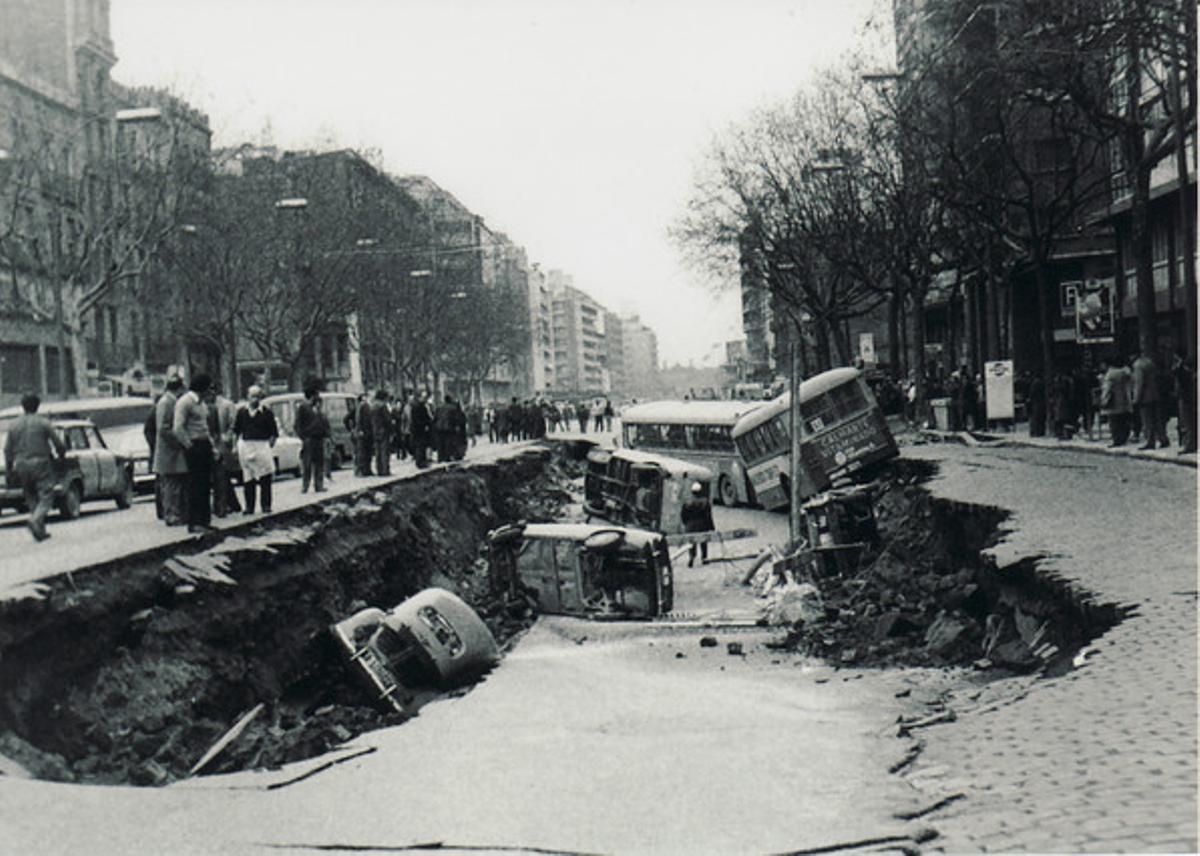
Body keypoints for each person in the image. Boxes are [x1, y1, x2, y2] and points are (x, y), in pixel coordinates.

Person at [3, 392, 66, 541]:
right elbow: (57, 443)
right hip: (40, 462)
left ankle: (40, 530)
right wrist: (61, 455)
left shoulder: (14, 425)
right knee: (46, 495)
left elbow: (7, 449)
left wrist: (9, 468)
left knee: (30, 495)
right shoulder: (43, 423)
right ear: (38, 406)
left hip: (21, 464)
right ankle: (36, 519)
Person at [174, 373, 217, 533]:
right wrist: (189, 446)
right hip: (194, 445)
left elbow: (205, 427)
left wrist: (212, 447)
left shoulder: (201, 404)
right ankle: (194, 522)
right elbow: (178, 427)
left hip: (204, 444)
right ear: (202, 388)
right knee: (195, 484)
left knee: (205, 484)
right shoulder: (185, 402)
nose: (211, 392)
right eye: (209, 388)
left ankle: (204, 520)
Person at [233, 385, 278, 514]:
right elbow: (236, 431)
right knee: (248, 478)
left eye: (257, 396)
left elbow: (273, 433)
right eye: (252, 396)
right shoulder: (242, 412)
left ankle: (266, 505)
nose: (255, 399)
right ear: (247, 397)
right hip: (247, 445)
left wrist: (269, 446)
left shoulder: (266, 413)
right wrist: (235, 447)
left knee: (265, 477)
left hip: (262, 445)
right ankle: (249, 507)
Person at [153, 375, 188, 526]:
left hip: (171, 452)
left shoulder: (169, 401)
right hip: (169, 453)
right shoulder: (166, 403)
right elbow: (163, 428)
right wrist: (179, 441)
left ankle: (175, 513)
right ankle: (171, 514)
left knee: (174, 485)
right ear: (178, 388)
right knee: (170, 486)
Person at [209, 384, 241, 517]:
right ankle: (232, 504)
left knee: (223, 475)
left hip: (223, 445)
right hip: (213, 444)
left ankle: (225, 505)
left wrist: (228, 438)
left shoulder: (226, 405)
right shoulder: (205, 405)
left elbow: (234, 424)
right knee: (221, 477)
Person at [296, 383, 329, 492]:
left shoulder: (318, 408)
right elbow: (298, 424)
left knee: (319, 462)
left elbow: (323, 423)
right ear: (312, 395)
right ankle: (305, 486)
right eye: (317, 394)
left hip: (318, 438)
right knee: (308, 463)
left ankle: (319, 485)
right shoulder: (303, 407)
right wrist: (303, 437)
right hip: (309, 439)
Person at [1131, 351, 1167, 450]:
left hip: (1145, 397)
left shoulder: (1138, 365)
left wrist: (1136, 399)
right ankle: (1163, 439)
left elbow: (1139, 383)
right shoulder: (1150, 362)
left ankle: (1150, 441)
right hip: (1155, 394)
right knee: (1157, 419)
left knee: (1147, 421)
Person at [1100, 357, 1134, 446]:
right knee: (1123, 421)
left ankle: (1117, 440)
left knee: (1114, 423)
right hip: (1124, 401)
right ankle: (1123, 438)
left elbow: (1107, 389)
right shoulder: (1125, 373)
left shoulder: (1110, 375)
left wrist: (1103, 400)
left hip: (1113, 402)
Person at [680, 481, 716, 567]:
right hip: (702, 524)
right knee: (703, 542)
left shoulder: (687, 502)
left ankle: (691, 557)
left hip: (690, 525)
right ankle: (704, 558)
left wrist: (686, 524)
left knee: (691, 542)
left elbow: (683, 515)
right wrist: (711, 527)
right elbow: (708, 516)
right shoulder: (705, 501)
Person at [1171, 349, 1197, 454]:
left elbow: (1178, 377)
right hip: (1186, 398)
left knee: (1187, 422)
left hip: (1185, 399)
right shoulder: (1184, 369)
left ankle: (1190, 444)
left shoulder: (1183, 370)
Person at [410, 388, 434, 468]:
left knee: (422, 446)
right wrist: (425, 425)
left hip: (419, 429)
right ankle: (420, 462)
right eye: (424, 397)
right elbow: (419, 419)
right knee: (420, 446)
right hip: (420, 429)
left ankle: (422, 461)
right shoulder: (418, 406)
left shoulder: (418, 405)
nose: (425, 399)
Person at [371, 390, 392, 476]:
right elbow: (387, 420)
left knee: (377, 451)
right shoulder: (383, 406)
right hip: (383, 431)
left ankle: (379, 469)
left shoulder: (373, 406)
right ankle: (385, 470)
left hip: (375, 431)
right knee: (384, 451)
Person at [354, 393, 373, 476]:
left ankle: (367, 469)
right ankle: (361, 470)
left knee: (367, 452)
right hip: (363, 432)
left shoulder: (367, 406)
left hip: (368, 432)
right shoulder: (361, 406)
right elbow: (358, 419)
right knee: (362, 452)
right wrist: (360, 430)